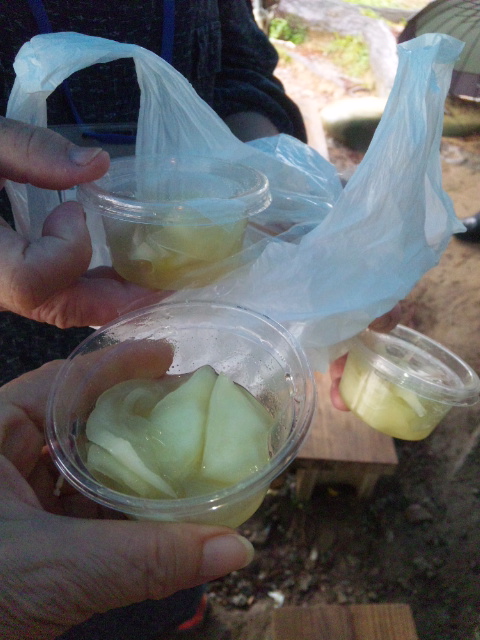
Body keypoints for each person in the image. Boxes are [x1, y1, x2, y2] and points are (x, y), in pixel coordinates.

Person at [0, 2, 308, 636]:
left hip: (208, 317)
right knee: (54, 547)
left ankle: (178, 613)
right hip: (19, 364)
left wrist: (264, 171)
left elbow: (242, 70)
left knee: (163, 585)